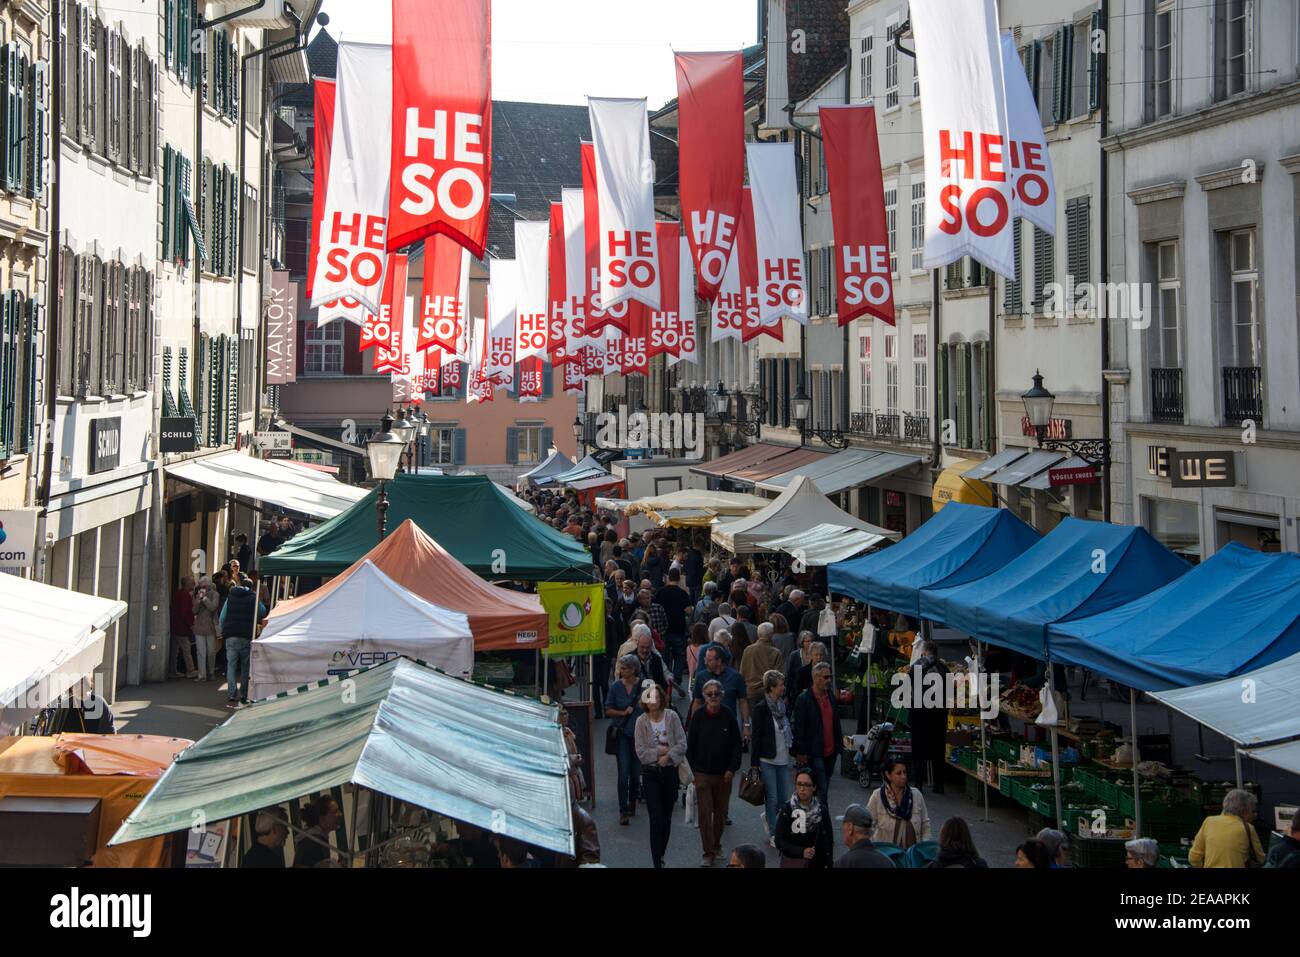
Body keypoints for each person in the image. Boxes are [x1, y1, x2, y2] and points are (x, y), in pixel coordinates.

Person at [685, 679, 742, 867]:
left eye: (717, 693)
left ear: (722, 695)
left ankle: (716, 844)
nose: (713, 697)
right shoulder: (698, 717)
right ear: (704, 696)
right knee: (705, 813)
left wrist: (731, 769)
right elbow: (690, 745)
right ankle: (707, 851)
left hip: (724, 775)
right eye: (709, 694)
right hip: (702, 774)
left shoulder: (728, 716)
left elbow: (736, 745)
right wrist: (692, 772)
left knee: (720, 815)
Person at [634, 684, 686, 868]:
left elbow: (682, 743)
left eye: (656, 697)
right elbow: (640, 751)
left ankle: (661, 853)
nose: (653, 701)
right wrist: (658, 753)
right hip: (651, 774)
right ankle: (657, 862)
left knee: (666, 818)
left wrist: (669, 757)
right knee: (655, 818)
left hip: (670, 773)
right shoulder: (641, 721)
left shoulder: (671, 717)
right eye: (649, 698)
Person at [749, 670, 793, 842]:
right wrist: (754, 763)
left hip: (783, 759)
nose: (783, 688)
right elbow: (757, 736)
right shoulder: (761, 709)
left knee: (783, 799)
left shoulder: (783, 706)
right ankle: (775, 834)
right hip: (767, 759)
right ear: (771, 688)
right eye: (781, 685)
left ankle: (777, 825)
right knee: (772, 798)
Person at [792, 662, 842, 801]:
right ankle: (822, 819)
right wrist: (801, 751)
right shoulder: (804, 699)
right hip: (814, 752)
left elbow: (835, 722)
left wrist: (839, 745)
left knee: (822, 786)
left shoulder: (830, 696)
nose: (829, 680)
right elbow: (799, 727)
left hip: (830, 752)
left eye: (830, 677)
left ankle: (814, 815)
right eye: (826, 677)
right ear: (815, 677)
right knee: (822, 789)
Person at [605, 655, 642, 825]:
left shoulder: (643, 687)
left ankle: (633, 801)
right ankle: (623, 810)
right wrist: (622, 713)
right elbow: (608, 710)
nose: (621, 671)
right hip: (622, 735)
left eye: (624, 668)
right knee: (623, 773)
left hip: (640, 736)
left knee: (635, 774)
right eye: (620, 667)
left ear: (633, 670)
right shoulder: (615, 687)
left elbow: (654, 706)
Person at [1189, 788, 1266, 868]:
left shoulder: (1209, 821)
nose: (1255, 815)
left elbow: (1194, 858)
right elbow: (1261, 859)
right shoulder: (1248, 828)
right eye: (1252, 811)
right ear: (1243, 811)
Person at [219, 574, 265, 707]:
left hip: (231, 635)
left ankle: (231, 693)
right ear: (251, 587)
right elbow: (262, 612)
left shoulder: (231, 596)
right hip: (246, 635)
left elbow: (223, 616)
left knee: (231, 665)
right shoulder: (253, 597)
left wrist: (223, 631)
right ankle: (244, 694)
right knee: (245, 667)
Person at [910, 640, 950, 793]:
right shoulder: (944, 668)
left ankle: (919, 782)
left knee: (919, 749)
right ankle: (939, 784)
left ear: (925, 651)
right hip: (938, 716)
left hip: (919, 715)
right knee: (938, 749)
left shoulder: (917, 666)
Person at [774, 767, 834, 868]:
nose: (802, 789)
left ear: (814, 787)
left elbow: (828, 840)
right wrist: (801, 851)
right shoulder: (787, 809)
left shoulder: (821, 810)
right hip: (794, 862)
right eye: (799, 784)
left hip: (816, 863)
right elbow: (779, 841)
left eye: (806, 785)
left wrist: (829, 863)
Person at [865, 759, 931, 849]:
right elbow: (867, 825)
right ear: (888, 775)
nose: (903, 776)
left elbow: (925, 824)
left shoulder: (916, 795)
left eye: (905, 772)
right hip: (886, 856)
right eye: (899, 773)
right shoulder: (877, 796)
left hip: (912, 856)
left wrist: (924, 847)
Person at [689, 646, 750, 740]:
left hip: (728, 724)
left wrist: (746, 725)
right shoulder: (701, 677)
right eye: (705, 659)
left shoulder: (736, 677)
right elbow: (697, 702)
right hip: (706, 724)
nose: (705, 662)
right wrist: (693, 725)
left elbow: (743, 702)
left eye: (709, 660)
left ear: (719, 661)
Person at [654, 567, 692, 687]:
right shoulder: (683, 593)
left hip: (663, 630)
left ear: (668, 578)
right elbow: (689, 611)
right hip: (678, 629)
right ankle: (677, 680)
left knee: (665, 657)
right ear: (679, 578)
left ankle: (666, 680)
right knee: (679, 656)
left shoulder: (660, 592)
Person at [739, 622, 785, 711]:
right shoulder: (775, 652)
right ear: (771, 635)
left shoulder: (748, 650)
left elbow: (742, 673)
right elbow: (780, 675)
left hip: (751, 692)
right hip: (769, 693)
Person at [294, 795, 340, 868]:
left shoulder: (318, 839)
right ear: (322, 818)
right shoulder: (310, 842)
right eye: (335, 812)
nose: (339, 814)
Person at [191, 576, 221, 682]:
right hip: (199, 627)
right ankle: (201, 675)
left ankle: (211, 672)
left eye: (203, 585)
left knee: (211, 652)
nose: (201, 587)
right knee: (200, 652)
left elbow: (213, 607)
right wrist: (198, 600)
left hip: (210, 627)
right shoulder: (197, 594)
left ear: (208, 584)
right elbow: (194, 611)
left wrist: (204, 598)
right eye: (200, 585)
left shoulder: (215, 594)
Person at [169, 576, 198, 678]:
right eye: (192, 583)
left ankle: (172, 670)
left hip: (175, 625)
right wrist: (190, 624)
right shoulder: (185, 595)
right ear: (187, 584)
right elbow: (184, 612)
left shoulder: (178, 593)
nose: (194, 584)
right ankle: (191, 670)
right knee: (186, 650)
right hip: (182, 627)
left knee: (174, 650)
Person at [785, 632, 816, 705]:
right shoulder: (794, 655)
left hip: (812, 690)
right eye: (807, 641)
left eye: (811, 641)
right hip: (797, 690)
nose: (810, 643)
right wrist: (786, 695)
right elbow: (790, 675)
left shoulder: (815, 654)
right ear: (802, 642)